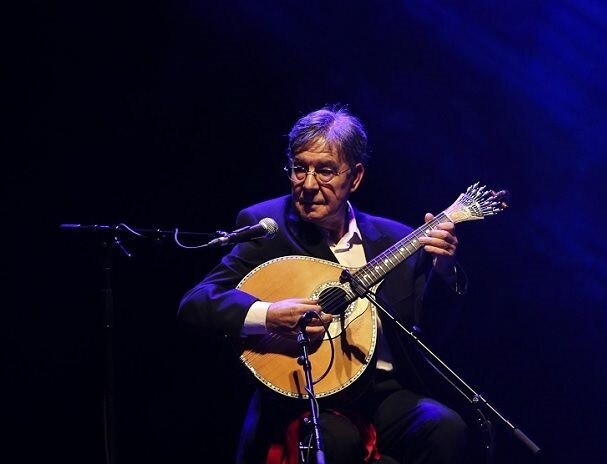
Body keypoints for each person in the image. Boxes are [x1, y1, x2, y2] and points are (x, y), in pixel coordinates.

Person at [178, 105, 469, 464]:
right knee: (335, 442)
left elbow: (433, 331)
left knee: (445, 427)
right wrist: (269, 315)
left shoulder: (396, 239)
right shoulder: (268, 226)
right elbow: (198, 301)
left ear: (355, 177)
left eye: (326, 171)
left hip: (384, 393)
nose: (309, 184)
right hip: (308, 397)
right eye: (300, 168)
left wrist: (444, 272)